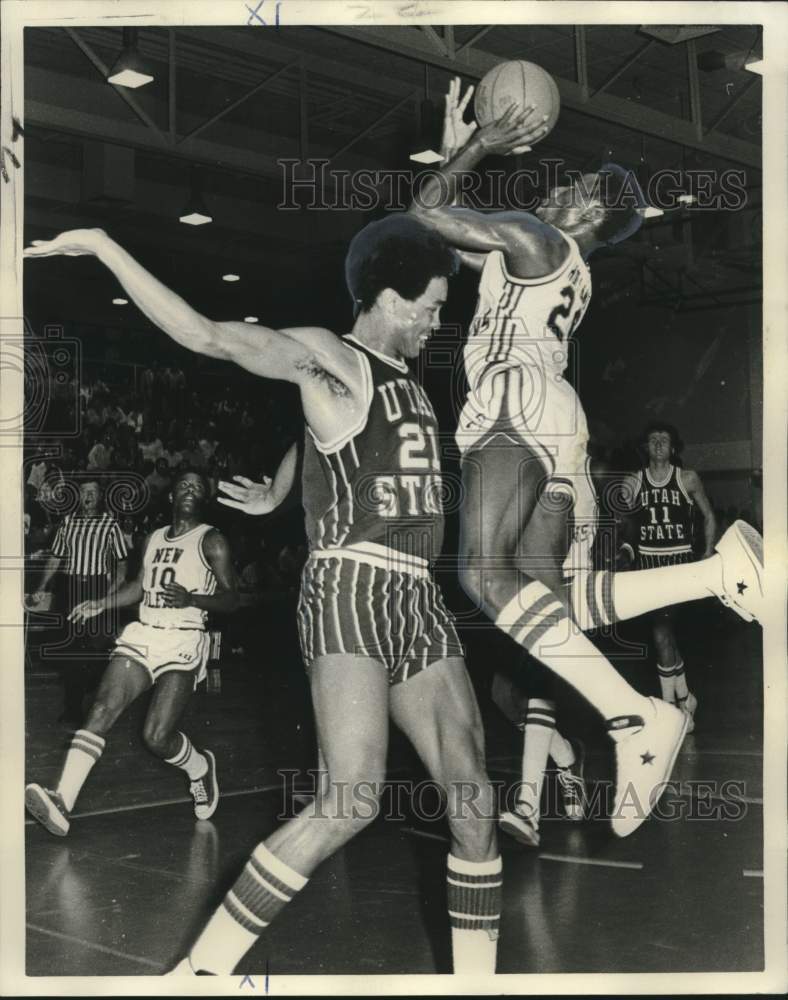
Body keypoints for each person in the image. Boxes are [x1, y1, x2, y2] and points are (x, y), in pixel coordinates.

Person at [26, 217, 503, 977]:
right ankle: (200, 973)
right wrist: (107, 247)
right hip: (352, 584)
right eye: (431, 306)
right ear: (386, 297)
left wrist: (282, 486)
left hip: (418, 597)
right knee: (351, 799)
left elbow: (330, 433)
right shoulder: (327, 356)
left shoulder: (399, 378)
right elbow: (207, 335)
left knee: (474, 798)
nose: (438, 320)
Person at [406, 80, 764, 841]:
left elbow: (423, 215)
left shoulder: (538, 240)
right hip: (555, 412)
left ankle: (636, 717)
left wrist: (478, 147)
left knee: (479, 572)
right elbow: (445, 243)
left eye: (577, 184)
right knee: (550, 603)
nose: (561, 183)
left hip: (515, 398)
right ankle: (716, 575)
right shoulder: (559, 259)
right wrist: (449, 150)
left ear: (592, 212)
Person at [24, 470, 238, 837]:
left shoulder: (212, 541)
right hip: (144, 634)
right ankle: (62, 802)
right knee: (102, 706)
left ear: (202, 500)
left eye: (198, 487)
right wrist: (101, 603)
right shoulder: (153, 538)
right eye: (184, 484)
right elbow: (138, 586)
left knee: (155, 737)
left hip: (183, 638)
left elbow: (234, 598)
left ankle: (200, 768)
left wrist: (193, 598)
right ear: (171, 496)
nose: (190, 489)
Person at [618, 423, 717, 732]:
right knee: (665, 634)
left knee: (661, 629)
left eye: (664, 439)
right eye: (653, 439)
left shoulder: (687, 478)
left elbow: (709, 516)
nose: (658, 443)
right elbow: (621, 519)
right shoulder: (633, 481)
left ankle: (670, 711)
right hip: (648, 564)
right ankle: (685, 698)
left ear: (674, 447)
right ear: (645, 447)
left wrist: (708, 552)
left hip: (678, 563)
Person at [27, 477, 128, 726]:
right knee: (71, 650)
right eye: (84, 492)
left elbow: (122, 566)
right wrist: (41, 587)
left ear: (100, 496)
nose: (88, 496)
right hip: (70, 588)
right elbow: (55, 559)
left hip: (97, 588)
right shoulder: (68, 523)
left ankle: (91, 690)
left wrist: (107, 597)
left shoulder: (110, 525)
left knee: (94, 650)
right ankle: (73, 708)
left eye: (93, 492)